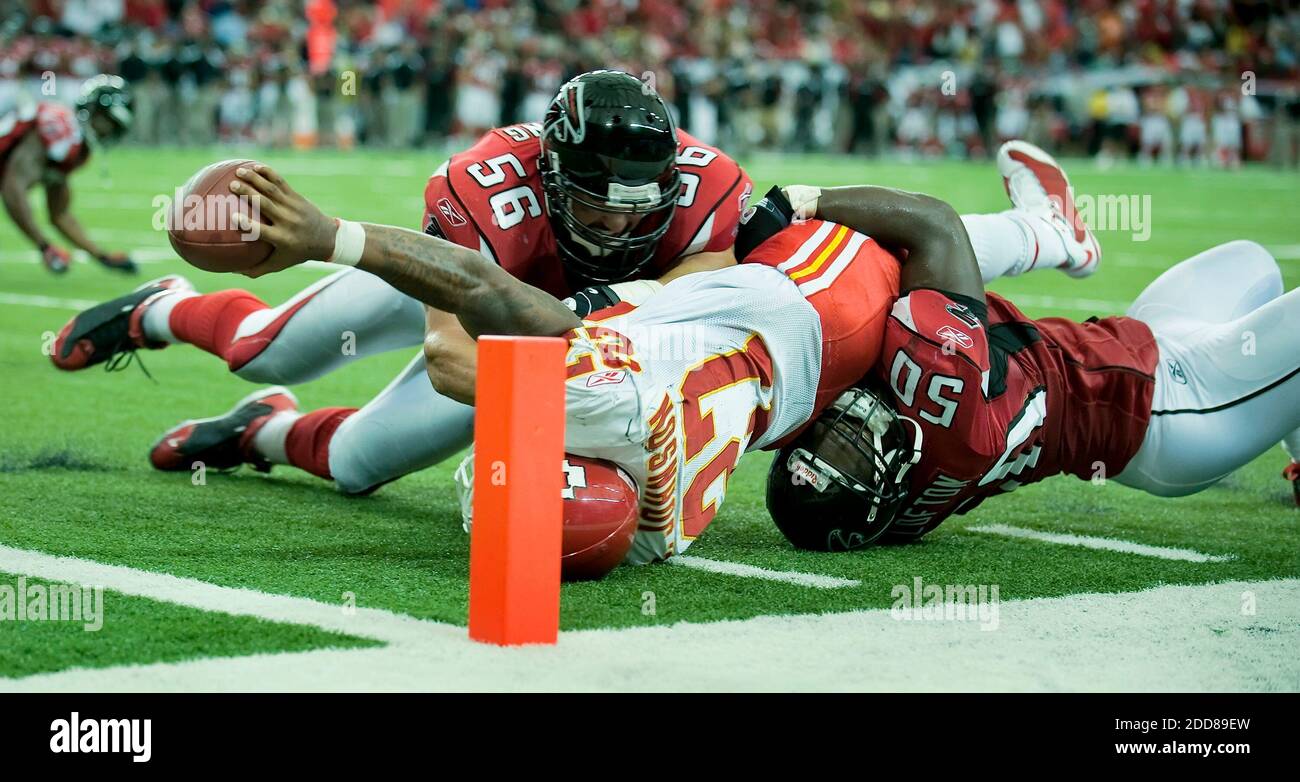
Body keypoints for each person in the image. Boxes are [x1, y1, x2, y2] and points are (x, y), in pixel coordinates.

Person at [764, 186, 1300, 552]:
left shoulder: (895, 515)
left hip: (1132, 341)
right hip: (1172, 407)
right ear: (892, 474)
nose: (847, 422)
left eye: (824, 436)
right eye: (852, 446)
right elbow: (937, 227)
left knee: (1253, 263)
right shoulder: (939, 388)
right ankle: (1050, 231)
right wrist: (805, 201)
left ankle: (1050, 229)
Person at [0, 75, 137, 275]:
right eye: (109, 122)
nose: (109, 132)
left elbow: (60, 214)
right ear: (92, 111)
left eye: (116, 127)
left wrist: (101, 256)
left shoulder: (74, 149)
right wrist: (44, 246)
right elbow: (13, 188)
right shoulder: (60, 130)